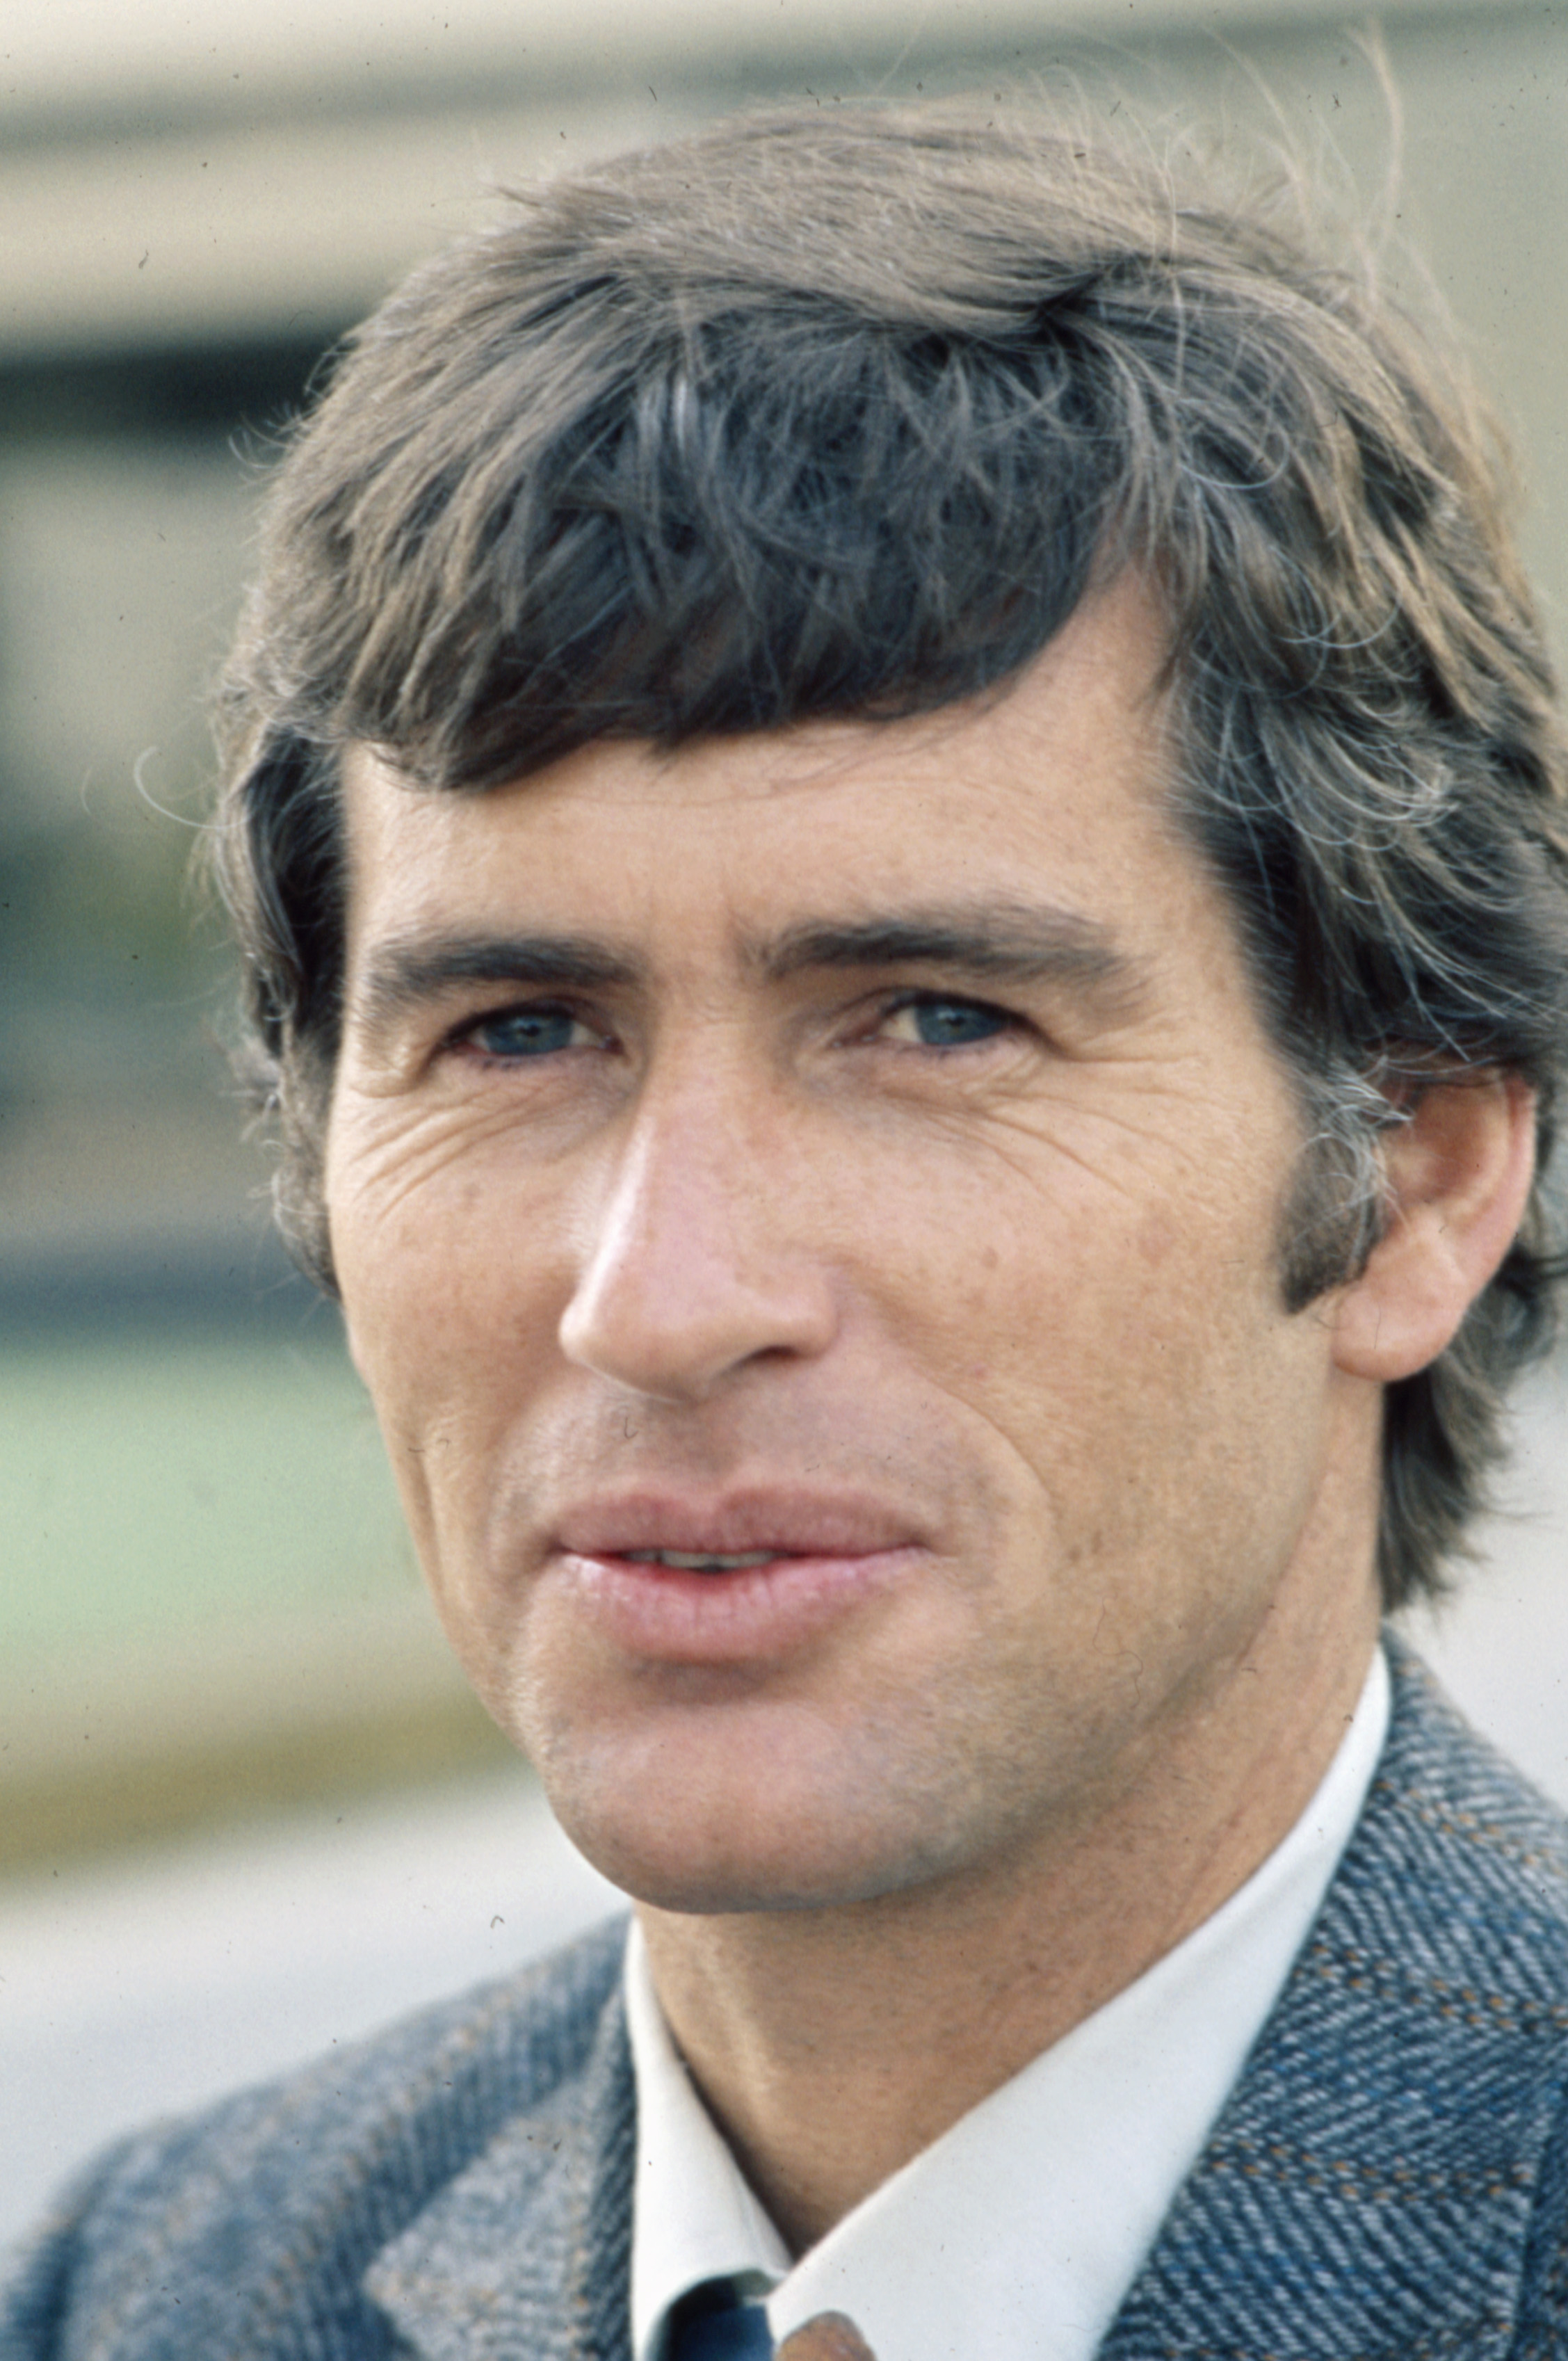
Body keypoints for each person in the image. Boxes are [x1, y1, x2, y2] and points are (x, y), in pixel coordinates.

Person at [7, 99, 1568, 2361]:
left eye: (935, 1020)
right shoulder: (152, 2293)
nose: (660, 1296)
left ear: (1417, 1176)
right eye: (518, 1032)